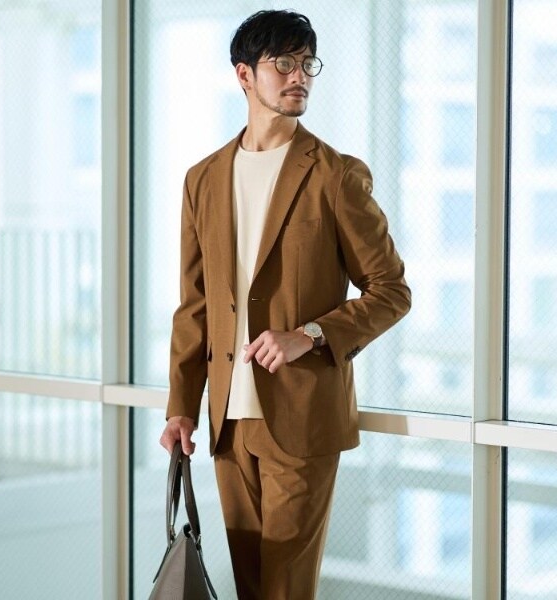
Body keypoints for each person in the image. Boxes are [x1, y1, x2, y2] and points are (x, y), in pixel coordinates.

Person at [160, 9, 411, 599]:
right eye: (284, 63)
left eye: (306, 63)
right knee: (251, 589)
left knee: (285, 592)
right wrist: (181, 406)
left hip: (302, 420)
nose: (300, 76)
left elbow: (391, 289)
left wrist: (312, 334)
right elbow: (195, 305)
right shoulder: (203, 179)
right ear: (245, 75)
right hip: (227, 424)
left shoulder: (335, 176)